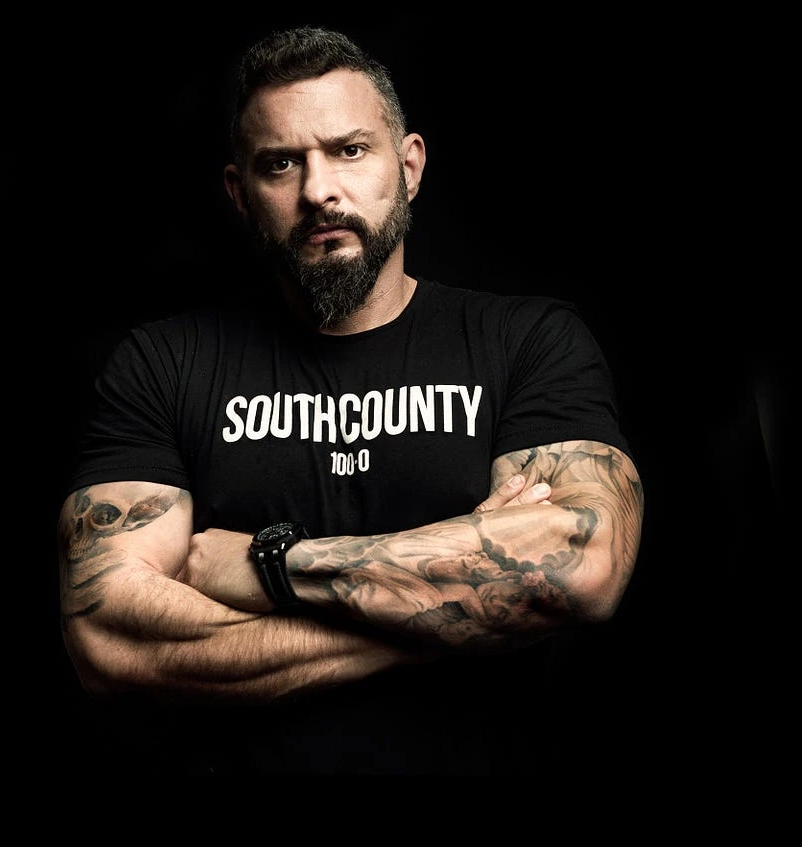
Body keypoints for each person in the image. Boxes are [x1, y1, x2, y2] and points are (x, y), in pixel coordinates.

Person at [56, 25, 645, 774]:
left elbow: (583, 563)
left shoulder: (526, 341)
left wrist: (273, 563)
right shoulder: (163, 363)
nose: (319, 191)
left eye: (350, 150)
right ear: (240, 193)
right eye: (280, 164)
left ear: (410, 167)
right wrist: (462, 605)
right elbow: (110, 637)